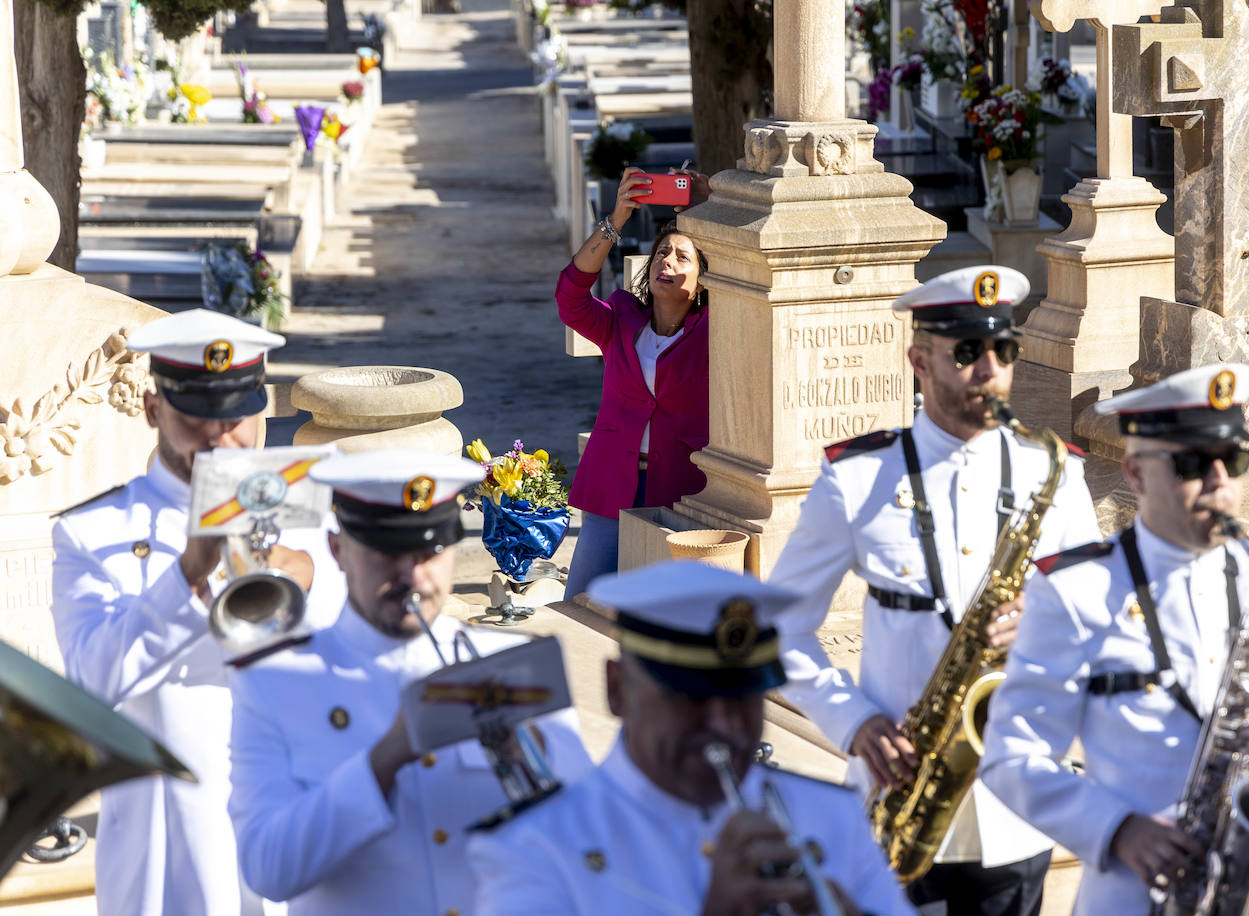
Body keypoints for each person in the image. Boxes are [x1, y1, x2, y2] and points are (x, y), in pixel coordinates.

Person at [978, 363, 1249, 915]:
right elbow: (1010, 756)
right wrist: (1116, 829)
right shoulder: (1075, 589)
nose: (1220, 482)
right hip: (1137, 894)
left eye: (1234, 459)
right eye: (1192, 464)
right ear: (1137, 474)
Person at [768, 265, 1103, 916]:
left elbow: (1100, 611)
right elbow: (778, 627)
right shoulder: (857, 477)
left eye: (1004, 350)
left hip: (1014, 803)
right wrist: (853, 721)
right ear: (918, 361)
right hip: (897, 792)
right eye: (968, 351)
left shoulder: (1053, 470)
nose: (990, 370)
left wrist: (1045, 614)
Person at [49, 309, 347, 916]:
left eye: (235, 418)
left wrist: (312, 581)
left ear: (261, 414)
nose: (217, 438)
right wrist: (185, 574)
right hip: (173, 849)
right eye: (195, 416)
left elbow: (364, 662)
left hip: (296, 823)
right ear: (152, 409)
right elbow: (90, 686)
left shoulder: (309, 513)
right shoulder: (92, 533)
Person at [228, 449, 592, 915]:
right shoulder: (274, 682)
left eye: (431, 551)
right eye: (388, 553)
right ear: (337, 550)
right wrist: (384, 759)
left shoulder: (507, 665)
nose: (413, 575)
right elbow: (267, 870)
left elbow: (591, 841)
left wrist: (537, 757)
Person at [469, 561, 918, 915]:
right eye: (691, 698)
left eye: (742, 697)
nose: (723, 725)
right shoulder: (533, 848)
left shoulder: (832, 814)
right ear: (617, 689)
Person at [560, 166, 711, 596]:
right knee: (583, 601)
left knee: (660, 608)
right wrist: (617, 219)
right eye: (662, 252)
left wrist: (705, 210)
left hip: (679, 490)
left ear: (703, 281)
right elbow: (570, 298)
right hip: (612, 485)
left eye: (683, 257)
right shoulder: (622, 320)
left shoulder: (712, 331)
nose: (667, 261)